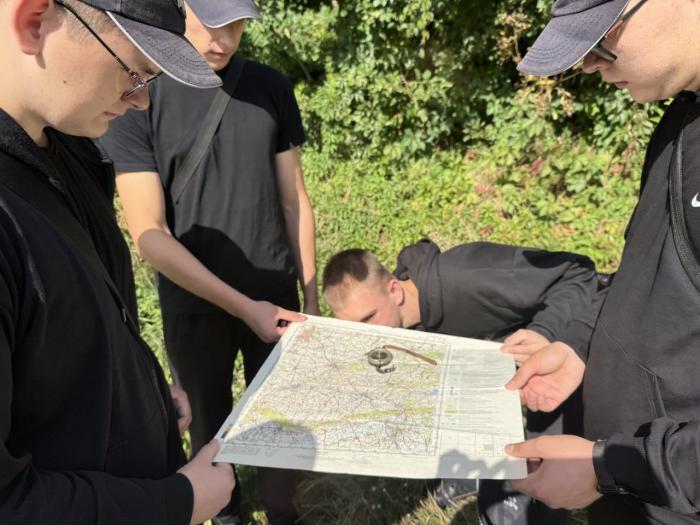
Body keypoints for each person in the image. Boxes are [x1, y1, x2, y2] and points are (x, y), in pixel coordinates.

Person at [0, 0, 236, 524]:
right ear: (33, 21)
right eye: (134, 72)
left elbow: (70, 333)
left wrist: (141, 392)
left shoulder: (65, 148)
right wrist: (178, 504)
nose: (143, 101)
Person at [100, 1, 318, 522]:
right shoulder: (140, 94)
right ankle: (227, 514)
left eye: (236, 25)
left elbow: (294, 201)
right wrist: (243, 306)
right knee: (209, 428)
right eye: (211, 24)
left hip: (276, 294)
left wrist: (311, 298)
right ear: (181, 9)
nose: (224, 39)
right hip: (194, 303)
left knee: (281, 426)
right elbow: (149, 234)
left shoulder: (269, 87)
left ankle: (284, 513)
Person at [501, 0, 700, 523]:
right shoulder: (682, 114)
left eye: (602, 37)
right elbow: (647, 271)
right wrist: (582, 344)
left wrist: (613, 467)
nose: (590, 63)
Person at [322, 238, 605, 525]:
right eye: (353, 328)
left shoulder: (467, 276)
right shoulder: (396, 327)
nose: (366, 336)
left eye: (369, 318)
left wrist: (545, 331)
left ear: (394, 290)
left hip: (572, 348)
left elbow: (578, 272)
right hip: (504, 365)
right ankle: (471, 477)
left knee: (539, 482)